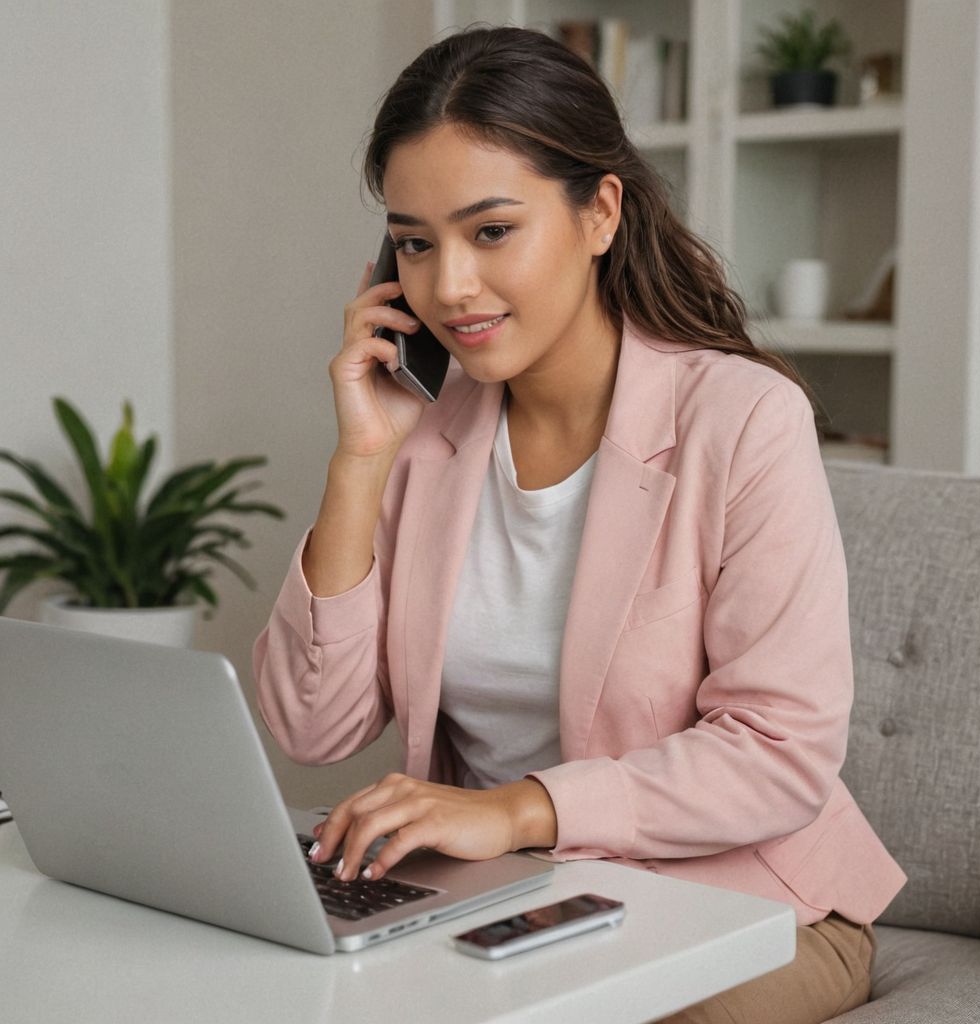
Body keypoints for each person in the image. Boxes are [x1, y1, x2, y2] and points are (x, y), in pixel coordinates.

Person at [253, 25, 905, 1023]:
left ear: (599, 212)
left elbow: (777, 751)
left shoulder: (736, 417)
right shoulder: (425, 435)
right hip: (510, 894)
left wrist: (515, 809)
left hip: (742, 899)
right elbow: (311, 725)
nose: (449, 285)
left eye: (491, 230)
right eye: (416, 243)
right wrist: (360, 460)